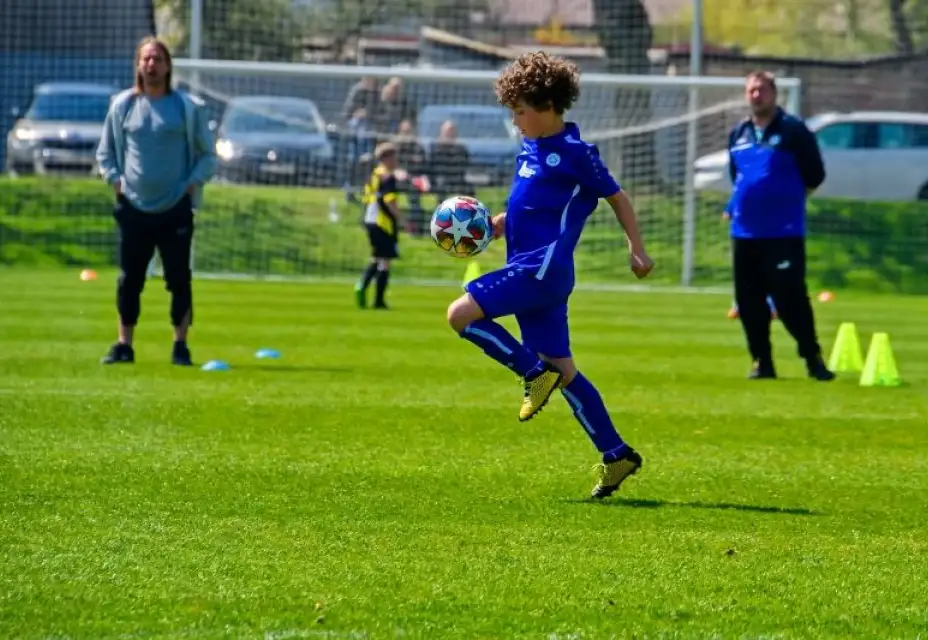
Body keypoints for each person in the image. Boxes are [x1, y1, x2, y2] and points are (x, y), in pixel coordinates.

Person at [445, 52, 655, 500]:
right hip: (530, 269)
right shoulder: (531, 149)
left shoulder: (577, 154)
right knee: (565, 371)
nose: (516, 120)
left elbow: (617, 197)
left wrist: (635, 246)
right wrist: (501, 223)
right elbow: (535, 207)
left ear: (546, 106)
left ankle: (530, 372)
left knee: (461, 315)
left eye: (520, 111)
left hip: (541, 270)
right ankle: (616, 454)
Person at [96, 36, 217, 366]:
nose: (152, 65)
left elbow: (208, 156)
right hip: (133, 208)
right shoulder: (122, 105)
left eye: (158, 59)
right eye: (146, 59)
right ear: (138, 64)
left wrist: (192, 184)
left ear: (167, 66)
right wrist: (116, 181)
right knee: (129, 279)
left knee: (178, 279)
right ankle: (124, 345)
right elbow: (105, 154)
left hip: (175, 208)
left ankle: (180, 345)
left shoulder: (186, 108)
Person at [725, 70, 834, 381]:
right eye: (751, 91)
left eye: (762, 90)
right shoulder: (739, 133)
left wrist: (785, 201)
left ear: (774, 93)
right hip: (745, 232)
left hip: (783, 232)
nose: (756, 96)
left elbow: (814, 175)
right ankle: (762, 362)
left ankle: (812, 358)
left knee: (789, 299)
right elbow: (738, 177)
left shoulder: (794, 130)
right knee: (749, 301)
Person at [356, 142, 402, 310]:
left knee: (378, 258)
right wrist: (401, 218)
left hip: (370, 219)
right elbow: (390, 200)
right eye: (394, 157)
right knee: (385, 260)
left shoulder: (374, 174)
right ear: (387, 158)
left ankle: (363, 286)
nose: (396, 161)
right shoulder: (387, 176)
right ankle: (378, 299)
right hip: (383, 222)